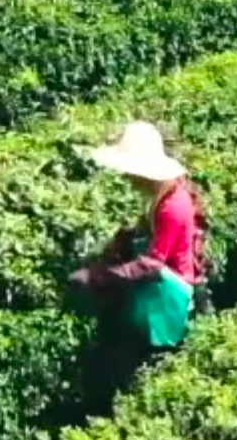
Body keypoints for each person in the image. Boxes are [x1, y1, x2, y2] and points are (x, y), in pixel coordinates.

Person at [66, 121, 210, 360]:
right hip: (162, 281)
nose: (127, 177)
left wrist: (97, 276)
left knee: (142, 348)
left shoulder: (172, 206)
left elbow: (152, 265)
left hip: (170, 292)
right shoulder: (161, 195)